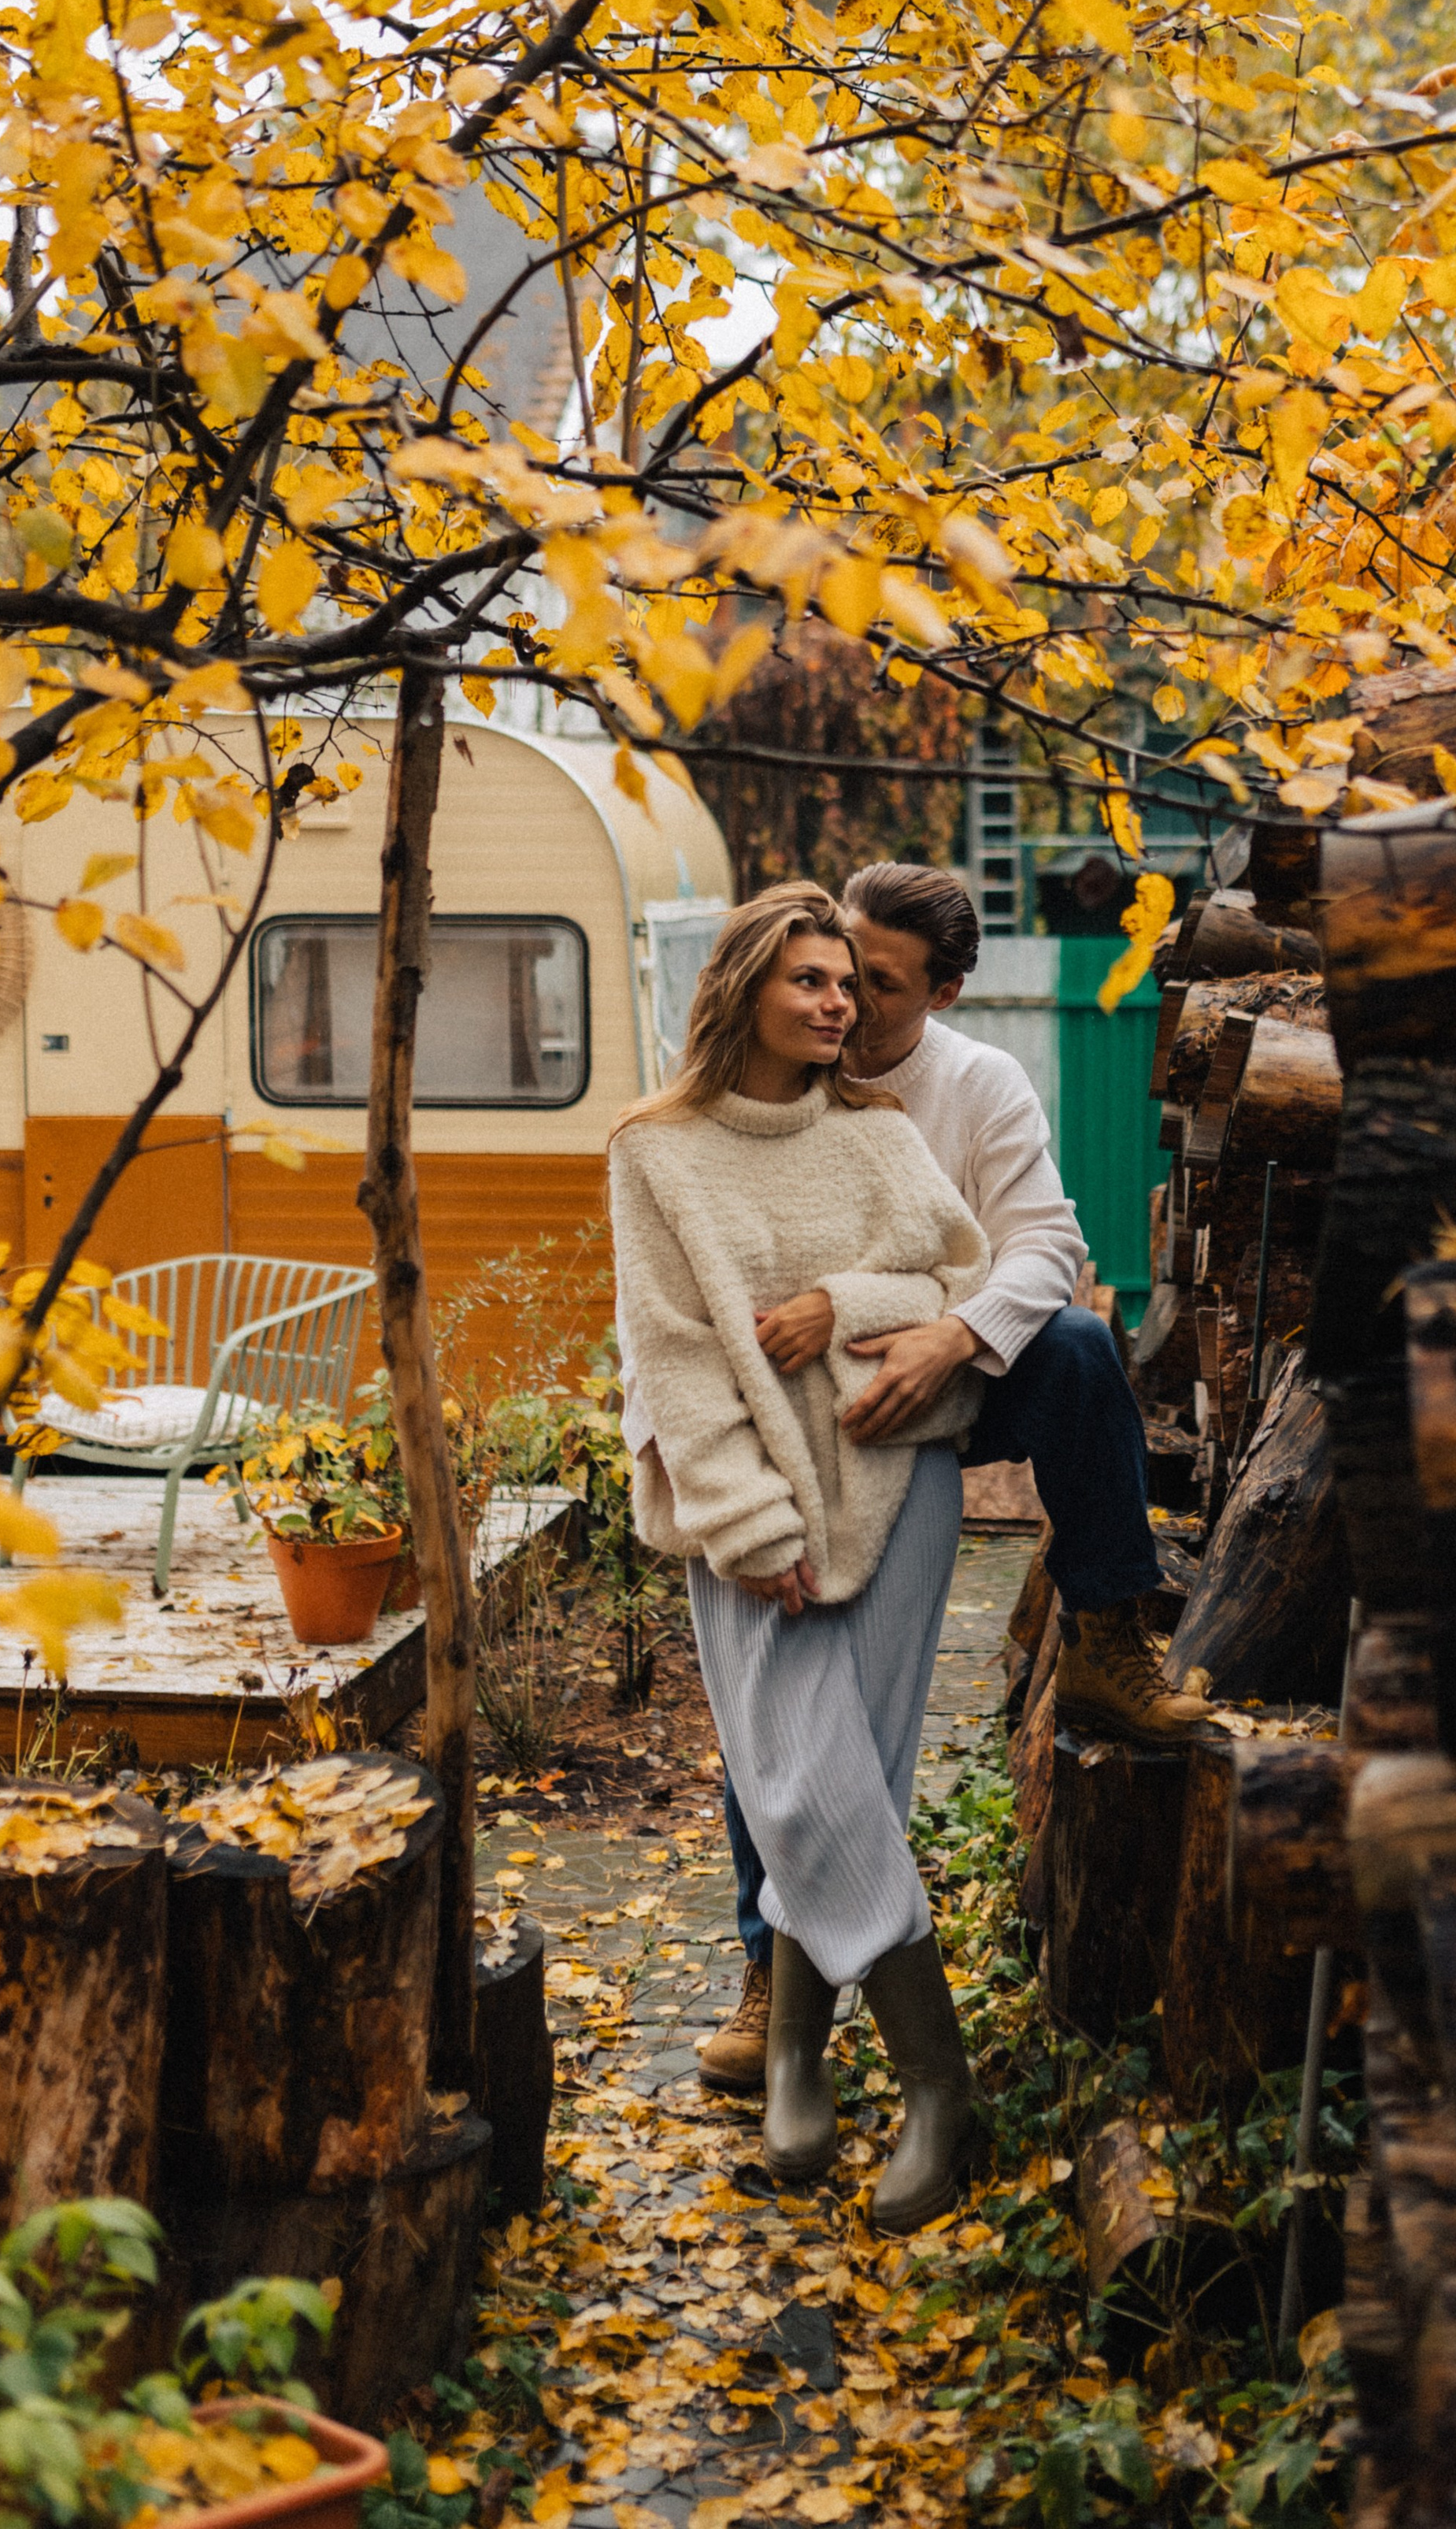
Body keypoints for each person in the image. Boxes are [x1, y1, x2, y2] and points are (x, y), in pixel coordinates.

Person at [698, 859, 1208, 2097]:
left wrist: (954, 1340)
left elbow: (1051, 1245)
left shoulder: (976, 1084)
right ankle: (774, 1959)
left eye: (874, 983)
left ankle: (1105, 1630)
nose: (843, 1005)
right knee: (775, 1671)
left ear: (946, 991)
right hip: (807, 1411)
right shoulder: (772, 1085)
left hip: (950, 1384)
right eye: (827, 971)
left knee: (1082, 1349)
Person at [607, 881, 995, 2232]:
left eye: (849, 983)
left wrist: (845, 1305)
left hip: (899, 1493)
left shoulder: (881, 1137)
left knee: (860, 1782)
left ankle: (798, 2054)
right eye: (811, 982)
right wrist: (756, 1526)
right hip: (756, 1520)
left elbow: (960, 1283)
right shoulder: (660, 1153)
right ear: (744, 989)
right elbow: (676, 1355)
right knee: (801, 1782)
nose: (839, 1004)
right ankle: (939, 2087)